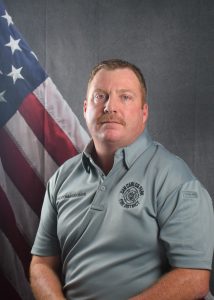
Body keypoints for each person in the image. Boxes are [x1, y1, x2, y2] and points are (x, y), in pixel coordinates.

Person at [30, 59, 214, 300]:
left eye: (125, 97)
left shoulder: (174, 179)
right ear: (85, 108)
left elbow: (194, 278)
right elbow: (41, 265)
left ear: (144, 112)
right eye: (100, 96)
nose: (110, 107)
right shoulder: (61, 180)